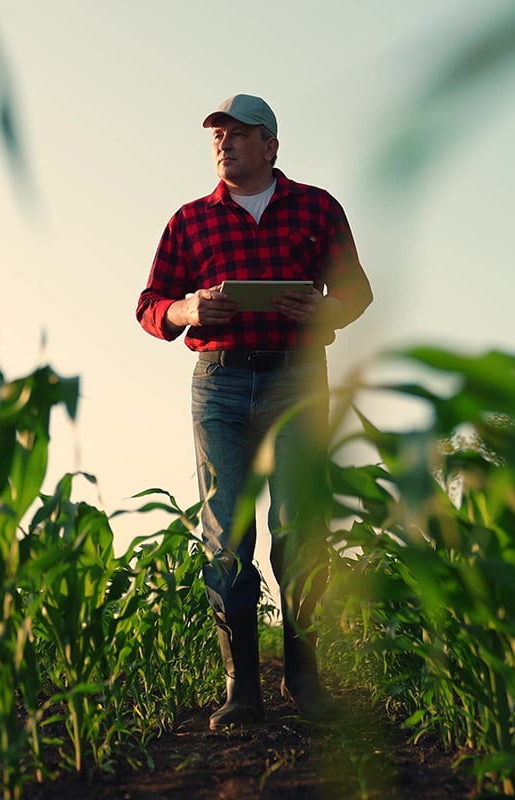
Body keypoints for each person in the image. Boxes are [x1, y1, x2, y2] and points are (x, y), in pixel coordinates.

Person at [135, 94, 373, 729]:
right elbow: (150, 304)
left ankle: (305, 681)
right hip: (218, 383)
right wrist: (190, 310)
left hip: (298, 378)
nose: (223, 143)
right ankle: (242, 689)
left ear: (270, 144)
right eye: (217, 135)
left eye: (238, 134)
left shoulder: (318, 208)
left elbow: (357, 291)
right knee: (227, 531)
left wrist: (325, 311)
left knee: (301, 527)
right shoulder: (189, 221)